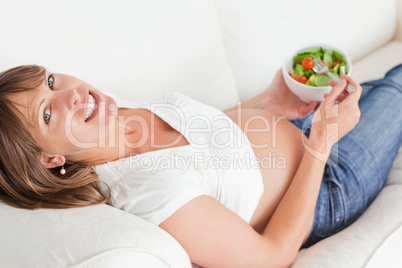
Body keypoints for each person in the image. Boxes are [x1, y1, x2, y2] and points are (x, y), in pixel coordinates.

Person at [0, 64, 400, 267]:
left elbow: (204, 148)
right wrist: (321, 146)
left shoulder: (105, 118)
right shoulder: (146, 190)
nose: (70, 93)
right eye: (48, 114)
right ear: (50, 160)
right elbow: (271, 256)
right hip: (326, 182)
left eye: (51, 81)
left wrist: (269, 104)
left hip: (307, 134)